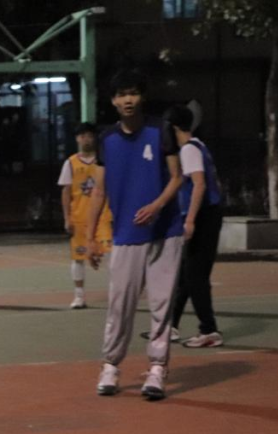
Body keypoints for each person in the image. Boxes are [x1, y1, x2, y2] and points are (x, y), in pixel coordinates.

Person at [87, 69, 184, 401]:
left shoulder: (161, 131)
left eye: (133, 93)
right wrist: (90, 238)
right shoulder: (106, 140)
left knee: (161, 303)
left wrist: (157, 205)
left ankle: (157, 368)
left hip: (165, 232)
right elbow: (99, 191)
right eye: (121, 94)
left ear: (142, 97)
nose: (128, 100)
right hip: (126, 234)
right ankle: (111, 365)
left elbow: (177, 177)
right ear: (113, 101)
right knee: (120, 303)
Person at [166, 104, 225, 348]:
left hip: (203, 216)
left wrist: (190, 219)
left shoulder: (189, 150)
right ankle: (171, 326)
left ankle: (209, 330)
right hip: (208, 214)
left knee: (195, 276)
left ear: (173, 128)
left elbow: (199, 184)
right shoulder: (198, 145)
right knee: (185, 274)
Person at [58, 122, 113, 309]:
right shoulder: (70, 163)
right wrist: (67, 218)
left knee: (111, 255)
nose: (86, 139)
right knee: (78, 257)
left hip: (103, 216)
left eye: (89, 135)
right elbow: (66, 192)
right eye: (82, 136)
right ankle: (79, 296)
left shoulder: (103, 161)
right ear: (77, 139)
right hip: (79, 217)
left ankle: (115, 293)